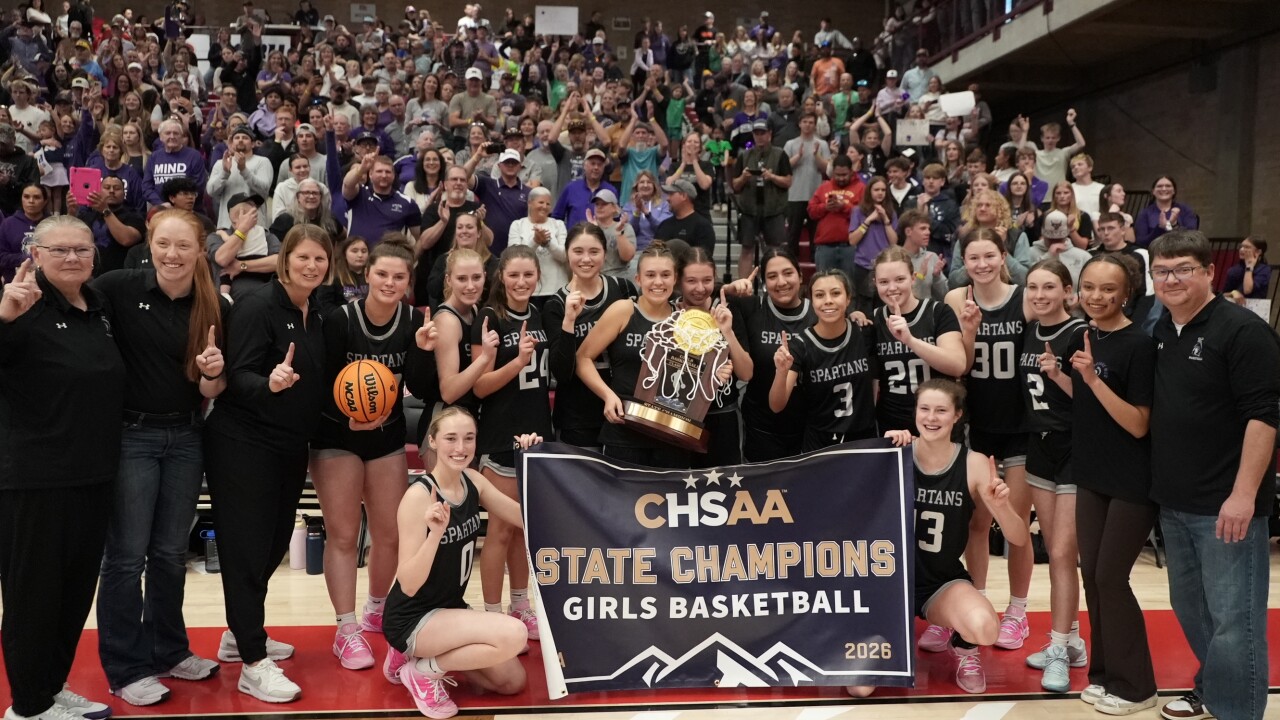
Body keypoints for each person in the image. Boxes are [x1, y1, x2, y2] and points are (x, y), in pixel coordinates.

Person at [90, 209, 228, 706]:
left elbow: (213, 387)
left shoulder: (212, 305)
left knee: (170, 555)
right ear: (149, 243)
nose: (172, 255)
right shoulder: (117, 288)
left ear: (200, 250)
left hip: (187, 437)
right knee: (125, 559)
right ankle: (126, 668)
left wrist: (213, 371)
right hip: (132, 437)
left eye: (183, 246)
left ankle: (169, 651)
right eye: (163, 244)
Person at [1148, 230, 1279, 720]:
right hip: (1175, 502)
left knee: (1235, 620)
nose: (1172, 278)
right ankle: (1214, 689)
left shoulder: (1243, 331)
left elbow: (1265, 417)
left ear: (1208, 272)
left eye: (1184, 268)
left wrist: (1243, 495)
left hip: (1227, 507)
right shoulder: (1162, 329)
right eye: (1163, 271)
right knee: (1194, 612)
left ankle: (1237, 712)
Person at [204, 224, 333, 702]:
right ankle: (253, 663)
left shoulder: (315, 313)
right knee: (245, 549)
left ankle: (239, 637)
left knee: (272, 544)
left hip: (288, 445)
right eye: (303, 258)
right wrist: (269, 383)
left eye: (320, 259)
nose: (311, 266)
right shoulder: (259, 305)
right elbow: (236, 377)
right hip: (243, 444)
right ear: (284, 260)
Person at [0, 218, 122, 720]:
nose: (72, 258)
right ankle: (27, 706)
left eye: (81, 249)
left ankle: (51, 686)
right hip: (35, 478)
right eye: (60, 250)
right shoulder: (24, 304)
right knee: (34, 595)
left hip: (92, 474)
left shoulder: (98, 307)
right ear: (36, 252)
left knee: (73, 592)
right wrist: (4, 316)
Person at [848, 380, 1030, 697]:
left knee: (985, 627)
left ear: (957, 415)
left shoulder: (974, 463)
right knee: (859, 689)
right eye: (925, 409)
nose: (931, 418)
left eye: (941, 410)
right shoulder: (895, 453)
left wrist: (1001, 507)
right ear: (915, 413)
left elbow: (1018, 537)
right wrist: (882, 452)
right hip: (888, 586)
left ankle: (963, 647)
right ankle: (888, 633)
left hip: (939, 583)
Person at [311, 237, 437, 672]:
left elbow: (420, 388)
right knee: (344, 535)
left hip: (385, 436)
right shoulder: (339, 320)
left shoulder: (412, 321)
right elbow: (318, 382)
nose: (389, 282)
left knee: (389, 533)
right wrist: (347, 419)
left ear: (408, 283)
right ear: (367, 276)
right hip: (337, 434)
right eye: (381, 274)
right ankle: (345, 631)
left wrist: (421, 348)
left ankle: (376, 608)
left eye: (398, 276)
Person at [383, 408, 539, 717]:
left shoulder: (472, 480)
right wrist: (434, 535)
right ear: (433, 441)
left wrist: (531, 467)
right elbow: (410, 583)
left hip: (450, 608)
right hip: (413, 617)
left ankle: (413, 658)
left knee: (512, 681)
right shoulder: (418, 497)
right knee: (514, 634)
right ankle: (423, 670)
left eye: (468, 439)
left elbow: (526, 519)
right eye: (450, 439)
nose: (460, 448)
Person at [1069, 254, 1159, 714]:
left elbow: (1139, 424)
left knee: (1110, 578)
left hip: (1130, 480)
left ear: (1127, 293)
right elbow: (1092, 402)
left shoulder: (1139, 345)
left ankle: (1138, 686)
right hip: (1092, 475)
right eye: (1089, 287)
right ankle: (1104, 675)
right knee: (1092, 578)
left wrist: (1088, 378)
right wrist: (1066, 380)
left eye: (1108, 289)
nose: (1097, 296)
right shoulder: (1087, 336)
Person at [942, 229, 1035, 657]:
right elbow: (960, 367)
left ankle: (1017, 611)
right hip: (976, 428)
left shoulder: (1025, 297)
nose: (981, 264)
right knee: (976, 525)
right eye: (972, 257)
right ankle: (973, 602)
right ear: (964, 261)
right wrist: (970, 332)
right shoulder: (956, 299)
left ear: (1003, 257)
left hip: (1019, 425)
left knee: (1014, 524)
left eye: (989, 256)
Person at [471, 245, 551, 645]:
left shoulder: (540, 313)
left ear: (539, 275)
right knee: (500, 531)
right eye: (514, 275)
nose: (522, 282)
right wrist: (516, 362)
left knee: (524, 531)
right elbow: (479, 386)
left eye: (529, 275)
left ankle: (521, 607)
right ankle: (491, 615)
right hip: (501, 435)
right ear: (501, 276)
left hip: (537, 435)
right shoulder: (488, 317)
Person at [576, 242, 712, 468]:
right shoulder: (623, 310)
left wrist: (716, 372)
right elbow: (583, 358)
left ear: (675, 279)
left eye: (665, 275)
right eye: (650, 275)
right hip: (624, 430)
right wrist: (608, 396)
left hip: (671, 435)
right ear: (638, 279)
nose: (658, 282)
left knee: (669, 501)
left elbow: (693, 377)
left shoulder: (685, 319)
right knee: (622, 502)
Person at [1017, 259, 1088, 693]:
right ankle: (1072, 639)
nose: (1040, 295)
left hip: (1075, 448)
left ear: (1067, 291)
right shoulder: (1031, 331)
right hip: (1039, 449)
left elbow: (1093, 398)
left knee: (1062, 552)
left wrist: (1059, 375)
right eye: (1033, 287)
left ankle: (1059, 648)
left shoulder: (1079, 333)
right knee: (1052, 549)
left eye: (1049, 287)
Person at [543, 224, 637, 449]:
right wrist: (568, 321)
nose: (586, 259)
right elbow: (562, 373)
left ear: (605, 254)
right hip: (578, 417)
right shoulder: (555, 305)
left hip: (624, 410)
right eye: (578, 251)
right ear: (567, 254)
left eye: (594, 251)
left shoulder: (623, 289)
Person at [720, 250, 814, 460]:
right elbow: (703, 297)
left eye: (788, 273)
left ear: (800, 276)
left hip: (810, 428)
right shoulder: (751, 307)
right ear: (764, 282)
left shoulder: (818, 312)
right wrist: (728, 288)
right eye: (772, 276)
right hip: (762, 430)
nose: (781, 282)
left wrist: (857, 314)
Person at [769, 269, 875, 452]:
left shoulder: (864, 333)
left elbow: (875, 385)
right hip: (820, 445)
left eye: (836, 293)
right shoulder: (800, 344)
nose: (828, 300)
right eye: (819, 295)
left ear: (848, 298)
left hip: (864, 440)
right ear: (811, 301)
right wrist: (781, 372)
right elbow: (776, 405)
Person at [868, 246, 964, 433]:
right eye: (884, 282)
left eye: (900, 279)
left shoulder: (938, 312)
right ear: (875, 283)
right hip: (894, 426)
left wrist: (910, 340)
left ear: (913, 278)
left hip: (938, 422)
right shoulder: (873, 320)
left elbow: (957, 365)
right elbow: (872, 380)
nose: (892, 288)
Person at [676, 247, 752, 466]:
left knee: (726, 489)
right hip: (681, 418)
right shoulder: (671, 312)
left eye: (707, 280)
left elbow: (746, 373)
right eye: (691, 281)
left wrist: (726, 331)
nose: (700, 288)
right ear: (679, 281)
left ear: (715, 279)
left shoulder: (727, 309)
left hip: (724, 416)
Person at [731, 119, 792, 279]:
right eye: (756, 133)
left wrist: (771, 177)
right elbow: (735, 185)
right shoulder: (744, 155)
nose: (759, 137)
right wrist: (744, 177)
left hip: (773, 210)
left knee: (775, 250)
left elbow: (788, 181)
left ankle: (774, 280)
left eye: (762, 133)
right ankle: (744, 285)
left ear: (770, 134)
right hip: (749, 210)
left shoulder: (780, 154)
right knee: (746, 248)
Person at [66, 176, 146, 275]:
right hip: (89, 275)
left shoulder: (134, 216)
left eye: (117, 188)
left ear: (124, 194)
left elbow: (127, 239)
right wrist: (71, 213)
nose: (111, 191)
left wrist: (105, 210)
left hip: (121, 275)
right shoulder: (88, 215)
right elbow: (69, 239)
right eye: (107, 187)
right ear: (99, 191)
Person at [342, 153, 423, 249]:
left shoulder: (407, 203)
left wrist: (412, 259)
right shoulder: (359, 193)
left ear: (393, 175)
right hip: (358, 257)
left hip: (389, 260)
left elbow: (420, 239)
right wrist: (362, 169)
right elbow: (347, 184)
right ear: (370, 174)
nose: (384, 175)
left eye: (388, 172)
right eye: (379, 171)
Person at [506, 186, 568, 302]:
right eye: (541, 202)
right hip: (528, 291)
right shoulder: (518, 225)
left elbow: (565, 256)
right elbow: (513, 258)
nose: (544, 207)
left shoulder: (558, 225)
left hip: (557, 290)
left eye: (548, 204)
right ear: (530, 203)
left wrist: (548, 243)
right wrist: (535, 242)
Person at [808, 155, 864, 281]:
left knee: (850, 287)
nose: (841, 178)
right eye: (837, 174)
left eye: (844, 174)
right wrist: (825, 207)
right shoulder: (824, 188)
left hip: (850, 248)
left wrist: (844, 206)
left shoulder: (861, 188)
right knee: (823, 284)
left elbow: (864, 216)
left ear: (851, 171)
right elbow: (811, 211)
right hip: (825, 247)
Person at [847, 176, 899, 312]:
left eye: (883, 190)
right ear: (869, 191)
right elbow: (852, 240)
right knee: (863, 305)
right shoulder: (858, 211)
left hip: (884, 266)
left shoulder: (891, 213)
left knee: (883, 305)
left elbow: (894, 242)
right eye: (876, 189)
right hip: (863, 266)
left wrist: (886, 220)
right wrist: (868, 220)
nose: (880, 193)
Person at [425, 212, 496, 309]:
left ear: (479, 233)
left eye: (469, 227)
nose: (464, 231)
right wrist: (449, 265)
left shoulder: (490, 260)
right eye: (460, 227)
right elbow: (433, 291)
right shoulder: (444, 259)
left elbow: (494, 294)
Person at [784, 113, 829, 258]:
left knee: (815, 235)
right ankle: (792, 264)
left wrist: (816, 155)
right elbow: (783, 167)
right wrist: (798, 157)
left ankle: (816, 265)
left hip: (815, 196)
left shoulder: (822, 144)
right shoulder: (791, 144)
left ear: (815, 124)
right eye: (805, 121)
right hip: (795, 194)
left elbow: (827, 169)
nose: (808, 125)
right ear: (799, 123)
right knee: (793, 235)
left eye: (811, 122)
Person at [1015, 111, 1085, 188]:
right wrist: (1025, 132)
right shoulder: (1036, 154)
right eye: (1047, 138)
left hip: (1059, 195)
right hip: (1040, 196)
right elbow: (1021, 152)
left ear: (1058, 138)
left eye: (1053, 138)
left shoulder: (1063, 152)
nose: (1050, 140)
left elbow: (1081, 144)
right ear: (1042, 139)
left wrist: (1071, 124)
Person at [0, 184, 51, 283]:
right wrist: (27, 258)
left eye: (36, 197)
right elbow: (1, 257)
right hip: (16, 283)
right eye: (26, 197)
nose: (31, 201)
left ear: (45, 201)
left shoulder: (54, 224)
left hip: (49, 284)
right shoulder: (8, 224)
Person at [653, 178, 714, 257]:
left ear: (684, 196)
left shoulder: (703, 227)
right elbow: (654, 254)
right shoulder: (664, 225)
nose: (668, 198)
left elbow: (703, 259)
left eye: (671, 194)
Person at [1028, 210, 1092, 286]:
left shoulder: (1083, 257)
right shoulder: (1029, 253)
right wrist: (1048, 256)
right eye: (1050, 239)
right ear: (1043, 234)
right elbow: (1025, 281)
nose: (1055, 243)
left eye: (1059, 239)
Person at [898, 208, 949, 302]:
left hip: (930, 313)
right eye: (923, 228)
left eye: (928, 229)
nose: (928, 232)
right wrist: (920, 277)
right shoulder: (896, 259)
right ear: (908, 231)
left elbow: (945, 295)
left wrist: (937, 277)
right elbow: (899, 297)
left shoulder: (931, 257)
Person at [1135, 176, 1198, 248]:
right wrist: (1160, 228)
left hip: (1181, 251)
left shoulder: (1185, 210)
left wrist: (1173, 225)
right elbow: (1140, 241)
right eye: (1159, 186)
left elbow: (1192, 236)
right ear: (1153, 191)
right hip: (1154, 253)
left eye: (1168, 186)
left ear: (1174, 191)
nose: (1164, 189)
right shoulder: (1145, 213)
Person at [1222, 236, 1270, 305]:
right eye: (1241, 247)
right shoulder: (1234, 270)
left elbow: (1247, 290)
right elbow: (1223, 295)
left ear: (1258, 252)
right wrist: (1233, 293)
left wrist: (1249, 266)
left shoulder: (1264, 270)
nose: (1241, 250)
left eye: (1247, 247)